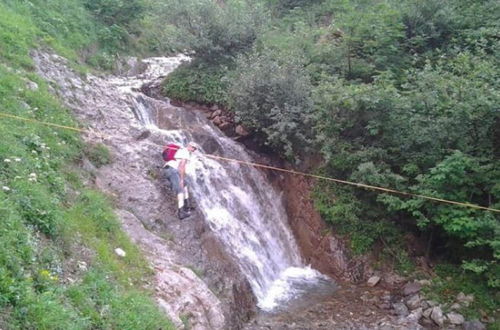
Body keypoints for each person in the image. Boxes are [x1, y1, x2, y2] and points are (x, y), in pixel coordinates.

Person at [164, 142, 197, 220]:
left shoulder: (183, 151)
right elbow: (182, 166)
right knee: (180, 188)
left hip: (171, 170)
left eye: (195, 149)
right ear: (189, 146)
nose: (193, 149)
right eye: (192, 147)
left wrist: (183, 180)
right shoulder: (185, 152)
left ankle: (187, 205)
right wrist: (181, 179)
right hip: (172, 170)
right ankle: (181, 212)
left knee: (185, 184)